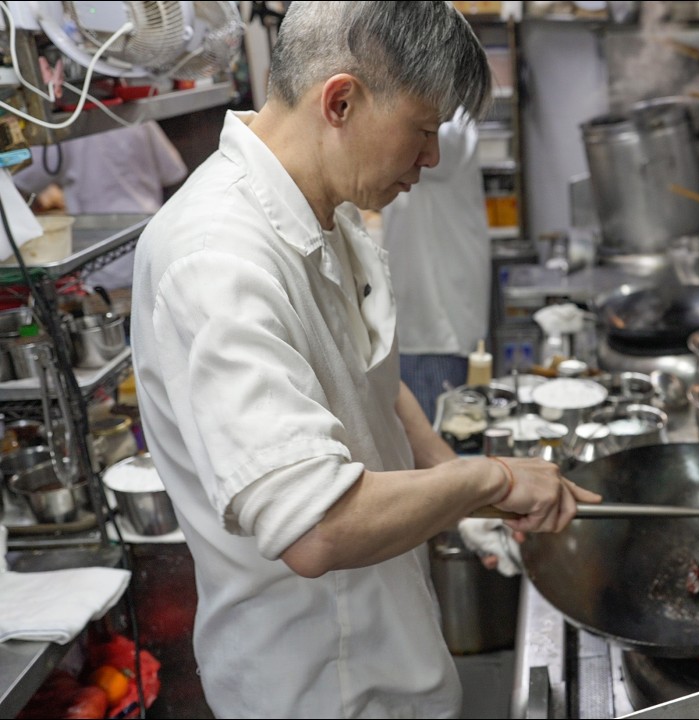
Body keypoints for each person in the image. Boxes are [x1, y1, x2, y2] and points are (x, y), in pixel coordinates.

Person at [128, 3, 600, 717]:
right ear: (341, 101)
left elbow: (370, 378)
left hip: (390, 650)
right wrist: (487, 477)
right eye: (423, 129)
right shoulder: (214, 261)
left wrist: (451, 475)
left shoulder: (324, 210)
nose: (433, 158)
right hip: (321, 686)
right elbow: (315, 528)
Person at [381, 107, 489, 424]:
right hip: (425, 322)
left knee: (439, 438)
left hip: (435, 330)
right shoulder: (445, 127)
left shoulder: (451, 134)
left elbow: (398, 144)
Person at [13, 120, 187, 291]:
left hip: (102, 258)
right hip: (153, 242)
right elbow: (172, 173)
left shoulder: (64, 128)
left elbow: (23, 180)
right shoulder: (139, 119)